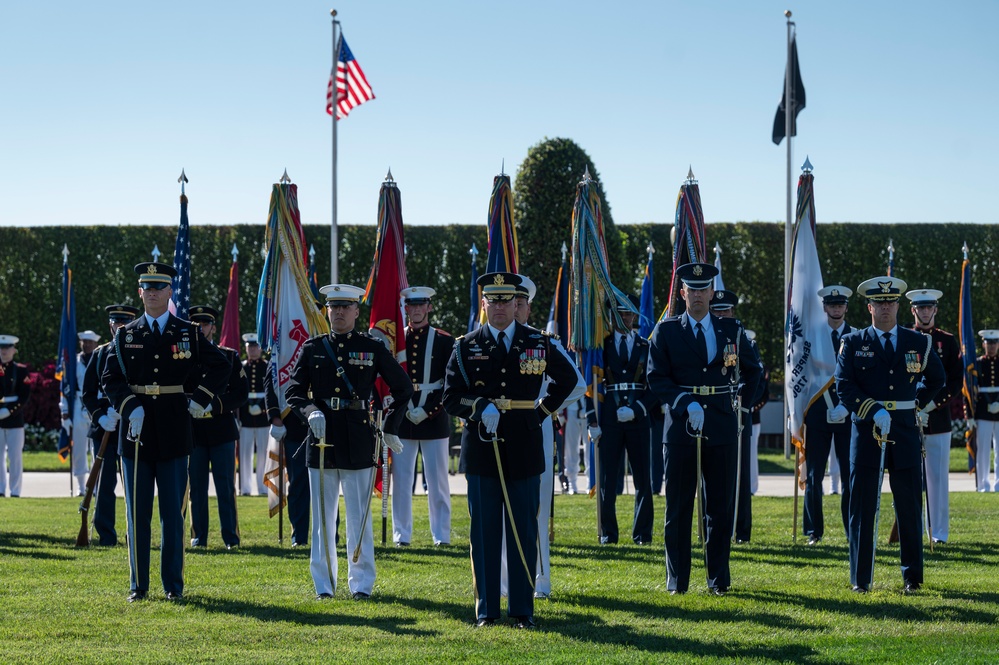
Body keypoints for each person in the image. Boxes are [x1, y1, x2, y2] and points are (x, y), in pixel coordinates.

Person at [443, 272, 579, 628]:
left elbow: (568, 381)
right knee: (484, 531)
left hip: (523, 443)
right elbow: (449, 397)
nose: (500, 307)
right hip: (483, 448)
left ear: (516, 304)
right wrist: (478, 406)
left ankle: (522, 609)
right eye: (494, 300)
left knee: (523, 528)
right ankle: (487, 609)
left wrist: (540, 413)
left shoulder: (538, 342)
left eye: (506, 301)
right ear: (484, 304)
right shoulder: (464, 345)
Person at [102, 262, 230, 602]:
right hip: (136, 434)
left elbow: (221, 366)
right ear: (140, 292)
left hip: (174, 429)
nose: (154, 292)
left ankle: (173, 586)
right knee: (136, 513)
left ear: (170, 291)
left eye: (161, 286)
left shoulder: (187, 332)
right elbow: (110, 378)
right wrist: (131, 406)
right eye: (148, 286)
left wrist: (199, 399)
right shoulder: (125, 334)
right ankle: (138, 586)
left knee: (173, 513)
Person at [285, 283, 413, 600]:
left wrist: (392, 427)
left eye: (345, 307)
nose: (339, 312)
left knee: (359, 517)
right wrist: (310, 411)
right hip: (321, 437)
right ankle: (324, 586)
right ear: (327, 311)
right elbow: (294, 392)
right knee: (323, 521)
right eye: (334, 307)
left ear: (357, 311)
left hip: (358, 436)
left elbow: (403, 388)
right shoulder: (312, 347)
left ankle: (361, 585)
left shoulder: (371, 347)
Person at [646, 263, 762, 595]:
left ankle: (718, 580)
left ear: (712, 292)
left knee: (720, 508)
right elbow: (656, 378)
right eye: (691, 290)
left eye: (703, 289)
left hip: (722, 426)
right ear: (682, 293)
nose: (697, 296)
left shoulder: (732, 330)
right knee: (679, 507)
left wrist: (739, 403)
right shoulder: (666, 332)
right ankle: (677, 580)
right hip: (682, 428)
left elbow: (753, 372)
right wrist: (683, 402)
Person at [835, 275, 944, 594]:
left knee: (909, 507)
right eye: (879, 303)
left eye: (890, 302)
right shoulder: (854, 343)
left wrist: (915, 405)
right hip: (867, 431)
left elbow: (936, 379)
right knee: (862, 509)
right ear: (869, 307)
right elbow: (844, 386)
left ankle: (912, 577)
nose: (885, 307)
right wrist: (872, 409)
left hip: (905, 432)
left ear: (898, 305)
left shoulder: (917, 342)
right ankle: (861, 578)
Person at [505, 276, 584, 599]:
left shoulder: (542, 341)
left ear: (528, 307)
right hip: (497, 428)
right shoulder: (493, 341)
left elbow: (576, 383)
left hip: (535, 426)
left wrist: (543, 409)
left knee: (535, 507)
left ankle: (540, 581)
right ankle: (503, 582)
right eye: (513, 303)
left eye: (522, 304)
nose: (517, 309)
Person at [587, 294, 654, 545]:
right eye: (619, 313)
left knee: (643, 481)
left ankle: (642, 534)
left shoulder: (647, 347)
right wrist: (592, 420)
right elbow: (590, 385)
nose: (624, 317)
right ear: (611, 315)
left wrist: (638, 408)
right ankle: (608, 533)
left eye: (628, 313)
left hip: (638, 419)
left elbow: (656, 385)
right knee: (607, 481)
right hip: (609, 420)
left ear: (635, 315)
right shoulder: (599, 348)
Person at [392, 286, 454, 547]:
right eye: (411, 306)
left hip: (434, 417)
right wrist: (403, 408)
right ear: (405, 308)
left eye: (421, 305)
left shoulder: (444, 340)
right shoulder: (397, 339)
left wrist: (429, 410)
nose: (416, 310)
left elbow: (450, 382)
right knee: (402, 482)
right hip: (404, 416)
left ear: (429, 307)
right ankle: (401, 535)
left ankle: (441, 535)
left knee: (438, 481)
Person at [188, 305, 248, 550]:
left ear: (213, 327)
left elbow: (241, 393)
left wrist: (215, 405)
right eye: (196, 325)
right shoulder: (183, 355)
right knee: (197, 487)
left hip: (221, 429)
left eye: (205, 324)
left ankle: (230, 537)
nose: (201, 329)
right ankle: (198, 536)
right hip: (193, 431)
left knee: (225, 486)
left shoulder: (229, 356)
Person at [906, 288, 962, 543]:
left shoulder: (948, 341)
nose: (925, 312)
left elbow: (954, 382)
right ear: (913, 310)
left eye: (929, 307)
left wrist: (931, 406)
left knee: (938, 481)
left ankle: (938, 533)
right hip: (907, 419)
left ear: (936, 310)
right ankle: (912, 531)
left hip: (938, 420)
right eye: (921, 308)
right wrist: (915, 407)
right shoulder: (904, 337)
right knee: (908, 479)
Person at [81, 304, 140, 545]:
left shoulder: (139, 351)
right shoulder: (100, 353)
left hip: (131, 425)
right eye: (116, 323)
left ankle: (134, 534)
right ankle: (106, 535)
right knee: (105, 483)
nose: (119, 328)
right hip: (106, 426)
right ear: (110, 325)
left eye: (124, 324)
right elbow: (87, 393)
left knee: (134, 483)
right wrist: (101, 417)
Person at [709, 289, 765, 544]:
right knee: (709, 476)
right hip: (711, 412)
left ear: (733, 312)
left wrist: (745, 405)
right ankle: (709, 527)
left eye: (725, 311)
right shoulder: (706, 338)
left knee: (740, 476)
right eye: (717, 311)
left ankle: (741, 530)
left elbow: (757, 380)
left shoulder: (744, 341)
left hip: (738, 415)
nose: (721, 315)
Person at [802, 285, 855, 545]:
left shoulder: (857, 337)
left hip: (848, 414)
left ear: (846, 307)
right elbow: (801, 377)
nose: (836, 309)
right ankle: (814, 530)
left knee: (850, 475)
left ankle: (852, 528)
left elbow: (860, 377)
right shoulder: (811, 336)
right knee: (814, 475)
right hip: (817, 413)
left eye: (840, 305)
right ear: (824, 307)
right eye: (831, 305)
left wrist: (847, 405)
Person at [264, 364, 310, 546]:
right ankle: (299, 536)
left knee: (326, 483)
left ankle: (330, 535)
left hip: (324, 424)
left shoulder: (321, 342)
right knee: (298, 482)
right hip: (293, 426)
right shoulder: (281, 347)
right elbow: (271, 384)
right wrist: (275, 417)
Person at [62, 331, 101, 495]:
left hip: (97, 405)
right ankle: (80, 486)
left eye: (90, 342)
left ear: (95, 344)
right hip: (78, 405)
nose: (86, 345)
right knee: (78, 449)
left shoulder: (100, 359)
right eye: (84, 342)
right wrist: (64, 411)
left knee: (96, 449)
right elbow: (66, 387)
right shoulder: (73, 362)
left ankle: (95, 486)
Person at [239, 333, 270, 496]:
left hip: (264, 417)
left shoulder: (267, 366)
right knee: (245, 454)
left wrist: (265, 410)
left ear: (260, 348)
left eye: (255, 347)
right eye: (250, 347)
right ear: (246, 349)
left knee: (264, 454)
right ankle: (245, 488)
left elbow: (270, 393)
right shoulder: (242, 367)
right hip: (246, 417)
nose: (253, 350)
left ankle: (263, 487)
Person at [0, 334, 30, 498]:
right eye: (1, 348)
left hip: (14, 418)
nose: (4, 351)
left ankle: (15, 490)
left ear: (14, 350)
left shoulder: (20, 370)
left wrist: (9, 411)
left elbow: (24, 396)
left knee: (15, 456)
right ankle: (0, 489)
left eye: (7, 348)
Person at [972, 330, 999, 492]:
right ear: (984, 345)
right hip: (983, 410)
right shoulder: (977, 363)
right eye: (989, 343)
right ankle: (983, 483)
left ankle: (998, 483)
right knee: (982, 449)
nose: (992, 346)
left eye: (994, 343)